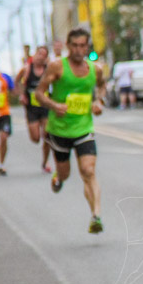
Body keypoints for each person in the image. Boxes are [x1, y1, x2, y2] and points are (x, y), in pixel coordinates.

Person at [34, 29, 106, 233]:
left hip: (84, 128)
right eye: (74, 45)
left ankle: (96, 215)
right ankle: (58, 177)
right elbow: (39, 93)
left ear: (87, 47)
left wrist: (99, 101)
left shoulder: (95, 69)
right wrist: (54, 105)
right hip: (60, 130)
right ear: (68, 45)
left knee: (88, 171)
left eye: (83, 45)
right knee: (65, 174)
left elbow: (102, 86)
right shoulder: (58, 67)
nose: (78, 49)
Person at [16, 45, 53, 172]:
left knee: (47, 135)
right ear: (35, 54)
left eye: (44, 54)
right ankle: (32, 128)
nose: (41, 57)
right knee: (36, 138)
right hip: (32, 107)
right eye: (39, 54)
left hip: (46, 106)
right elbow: (18, 81)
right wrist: (21, 95)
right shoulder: (27, 69)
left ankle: (45, 161)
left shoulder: (49, 69)